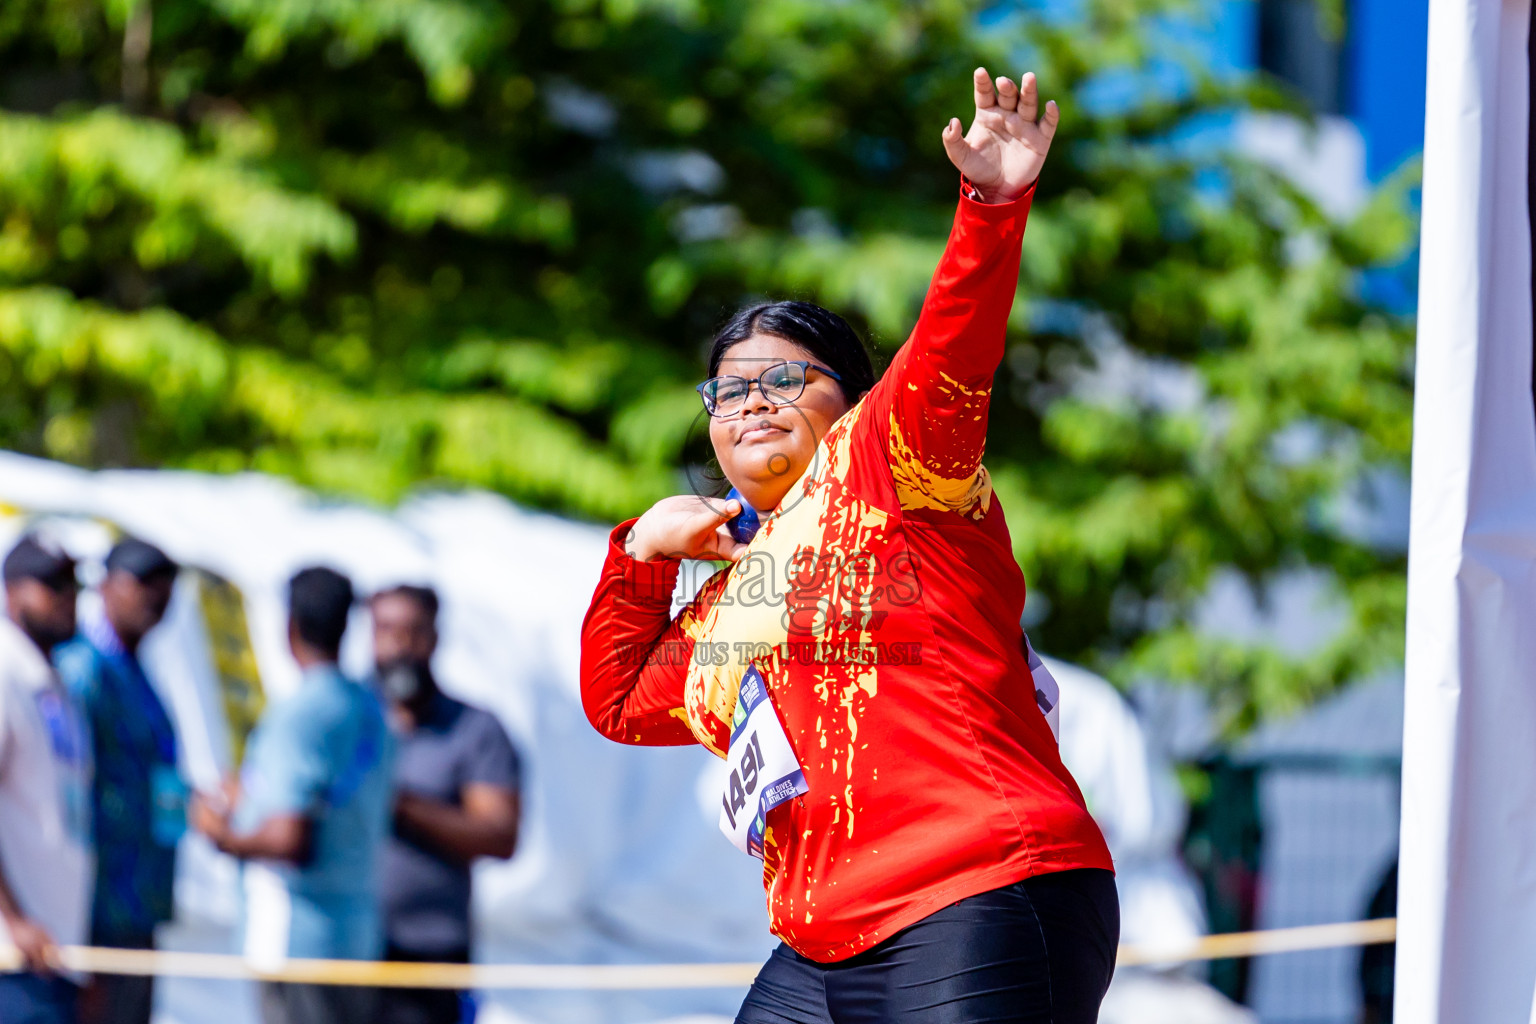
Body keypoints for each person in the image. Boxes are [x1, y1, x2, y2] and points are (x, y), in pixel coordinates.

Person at [580, 69, 1117, 1024]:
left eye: (784, 378)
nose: (749, 400)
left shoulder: (892, 463)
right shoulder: (734, 598)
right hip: (821, 942)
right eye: (727, 389)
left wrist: (993, 205)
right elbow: (619, 700)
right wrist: (642, 555)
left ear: (853, 400)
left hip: (977, 891)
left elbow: (954, 345)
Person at [190, 566, 393, 1024]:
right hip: (356, 938)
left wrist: (220, 832)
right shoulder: (369, 709)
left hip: (296, 942)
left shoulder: (301, 716)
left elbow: (288, 839)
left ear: (291, 626)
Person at [369, 584, 521, 1024]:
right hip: (346, 950)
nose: (400, 644)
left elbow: (499, 834)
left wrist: (397, 803)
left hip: (430, 956)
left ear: (435, 637)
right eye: (386, 630)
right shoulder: (347, 718)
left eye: (413, 631)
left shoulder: (473, 729)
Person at [56, 539, 182, 1024]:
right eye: (142, 582)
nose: (156, 595)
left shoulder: (139, 672)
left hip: (139, 905)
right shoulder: (84, 671)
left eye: (165, 584)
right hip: (97, 910)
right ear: (106, 586)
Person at [0, 534, 92, 1024]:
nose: (68, 597)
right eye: (53, 585)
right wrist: (13, 921)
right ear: (12, 592)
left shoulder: (54, 683)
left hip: (55, 959)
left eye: (74, 584)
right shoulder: (5, 671)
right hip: (12, 959)